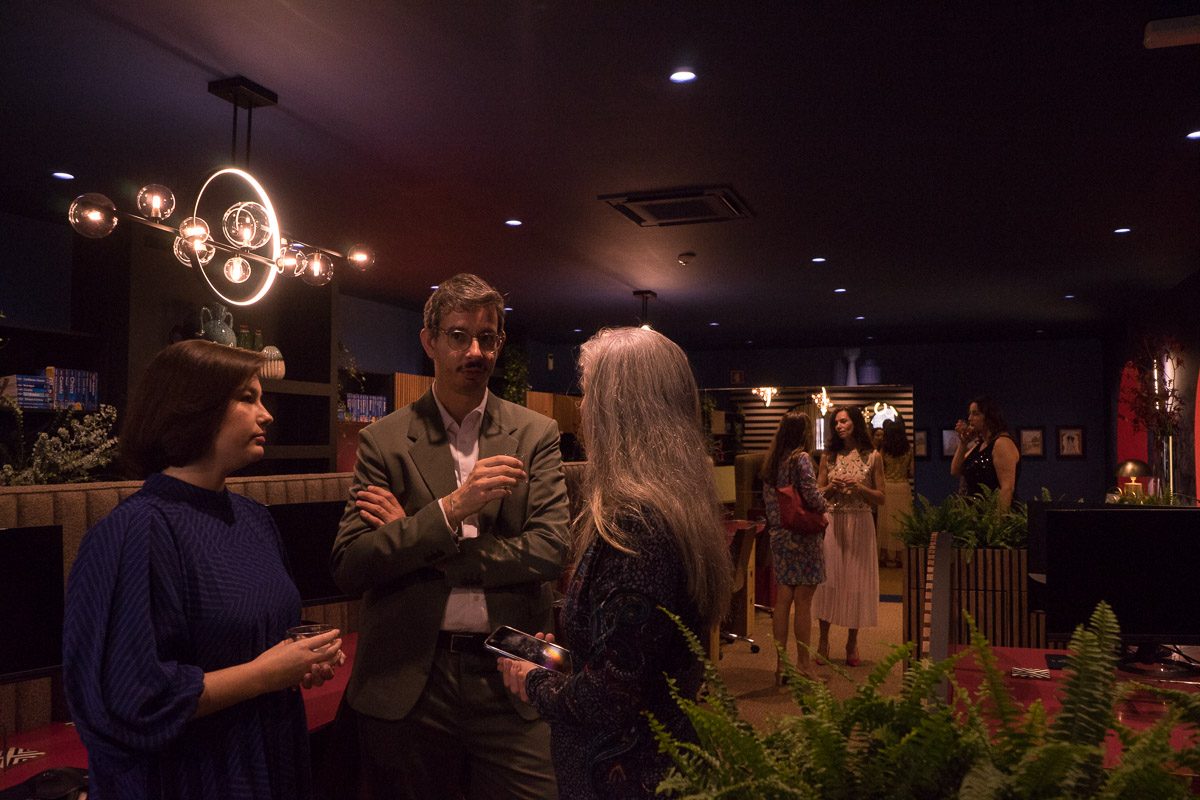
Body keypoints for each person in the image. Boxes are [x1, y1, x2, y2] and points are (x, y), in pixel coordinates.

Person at [63, 339, 344, 800]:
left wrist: (302, 660)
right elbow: (129, 699)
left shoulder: (255, 519)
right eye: (248, 398)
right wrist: (265, 674)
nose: (267, 415)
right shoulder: (134, 531)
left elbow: (257, 639)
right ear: (193, 408)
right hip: (192, 776)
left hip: (272, 755)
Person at [330, 273, 571, 800]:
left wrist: (422, 540)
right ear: (430, 341)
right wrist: (451, 509)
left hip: (512, 668)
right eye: (459, 336)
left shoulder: (536, 434)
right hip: (410, 676)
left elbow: (552, 549)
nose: (475, 351)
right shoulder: (383, 441)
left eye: (487, 337)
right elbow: (352, 565)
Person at [497, 327, 733, 799]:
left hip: (624, 773)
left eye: (588, 394)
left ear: (617, 409)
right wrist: (568, 662)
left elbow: (610, 698)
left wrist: (534, 679)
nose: (581, 408)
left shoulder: (637, 525)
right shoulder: (672, 505)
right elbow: (629, 656)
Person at [813, 405, 885, 667]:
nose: (839, 426)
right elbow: (816, 494)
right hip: (833, 522)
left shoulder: (873, 456)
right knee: (828, 580)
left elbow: (882, 498)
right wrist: (831, 487)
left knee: (856, 581)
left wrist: (860, 487)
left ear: (855, 423)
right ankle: (823, 640)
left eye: (843, 421)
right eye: (836, 423)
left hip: (860, 522)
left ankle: (852, 642)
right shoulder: (828, 456)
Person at [758, 409, 827, 684]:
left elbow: (770, 502)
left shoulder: (772, 461)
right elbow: (813, 498)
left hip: (779, 536)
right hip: (803, 537)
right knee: (804, 602)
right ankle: (804, 666)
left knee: (782, 601)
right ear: (804, 433)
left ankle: (781, 666)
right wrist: (828, 496)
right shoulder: (802, 459)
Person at [950, 395, 1020, 511]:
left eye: (975, 414)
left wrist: (997, 521)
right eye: (969, 414)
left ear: (988, 417)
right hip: (975, 514)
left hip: (992, 514)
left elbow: (1007, 488)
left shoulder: (1002, 443)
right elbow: (955, 470)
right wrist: (963, 443)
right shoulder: (981, 445)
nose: (970, 418)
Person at [876, 417, 913, 568]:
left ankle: (883, 555)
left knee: (885, 522)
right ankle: (899, 556)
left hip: (888, 487)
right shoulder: (909, 449)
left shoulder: (884, 450)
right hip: (903, 487)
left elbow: (879, 469)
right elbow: (912, 471)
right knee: (901, 522)